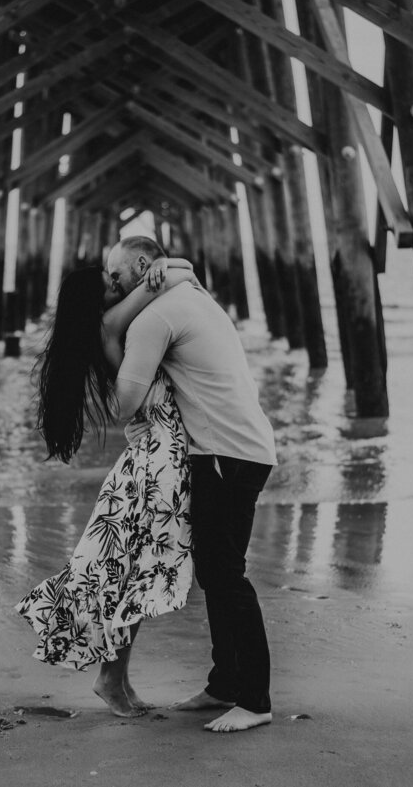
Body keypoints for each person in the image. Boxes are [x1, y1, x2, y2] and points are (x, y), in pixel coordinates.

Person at [15, 256, 199, 718]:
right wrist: (170, 264)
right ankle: (111, 680)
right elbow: (172, 279)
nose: (118, 287)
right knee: (132, 575)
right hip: (158, 460)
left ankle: (115, 679)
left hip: (148, 455)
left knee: (125, 572)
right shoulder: (109, 323)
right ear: (96, 301)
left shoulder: (105, 327)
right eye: (109, 284)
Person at [106, 236, 277, 733]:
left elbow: (123, 404)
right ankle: (225, 685)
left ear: (143, 265)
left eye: (117, 277)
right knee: (215, 573)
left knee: (226, 576)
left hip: (226, 452)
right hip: (238, 448)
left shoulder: (155, 317)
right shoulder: (190, 295)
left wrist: (106, 353)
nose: (113, 287)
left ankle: (255, 699)